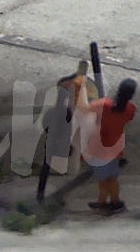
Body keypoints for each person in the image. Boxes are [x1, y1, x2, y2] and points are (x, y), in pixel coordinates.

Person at [83, 77, 140, 214]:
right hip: (115, 147)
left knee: (103, 179)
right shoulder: (130, 109)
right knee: (112, 177)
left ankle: (105, 202)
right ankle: (113, 201)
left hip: (99, 147)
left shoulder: (104, 104)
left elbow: (85, 108)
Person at [36, 70, 86, 205]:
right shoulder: (65, 111)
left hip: (51, 141)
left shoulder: (51, 112)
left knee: (46, 168)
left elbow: (45, 124)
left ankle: (40, 194)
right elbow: (69, 127)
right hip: (61, 141)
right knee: (66, 165)